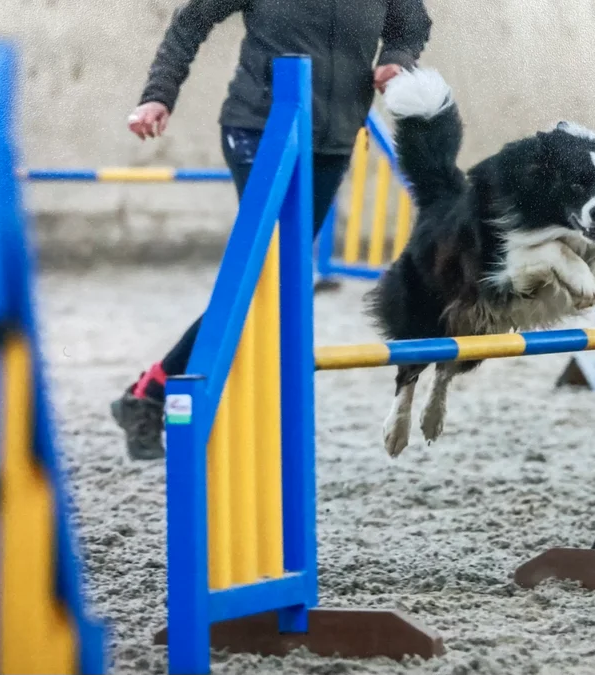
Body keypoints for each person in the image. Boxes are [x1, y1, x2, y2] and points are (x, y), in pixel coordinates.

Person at [111, 0, 432, 460]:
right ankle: (155, 393)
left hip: (334, 141)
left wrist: (397, 59)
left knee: (272, 286)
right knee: (267, 281)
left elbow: (411, 23)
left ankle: (151, 393)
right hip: (258, 129)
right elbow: (191, 20)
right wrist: (158, 95)